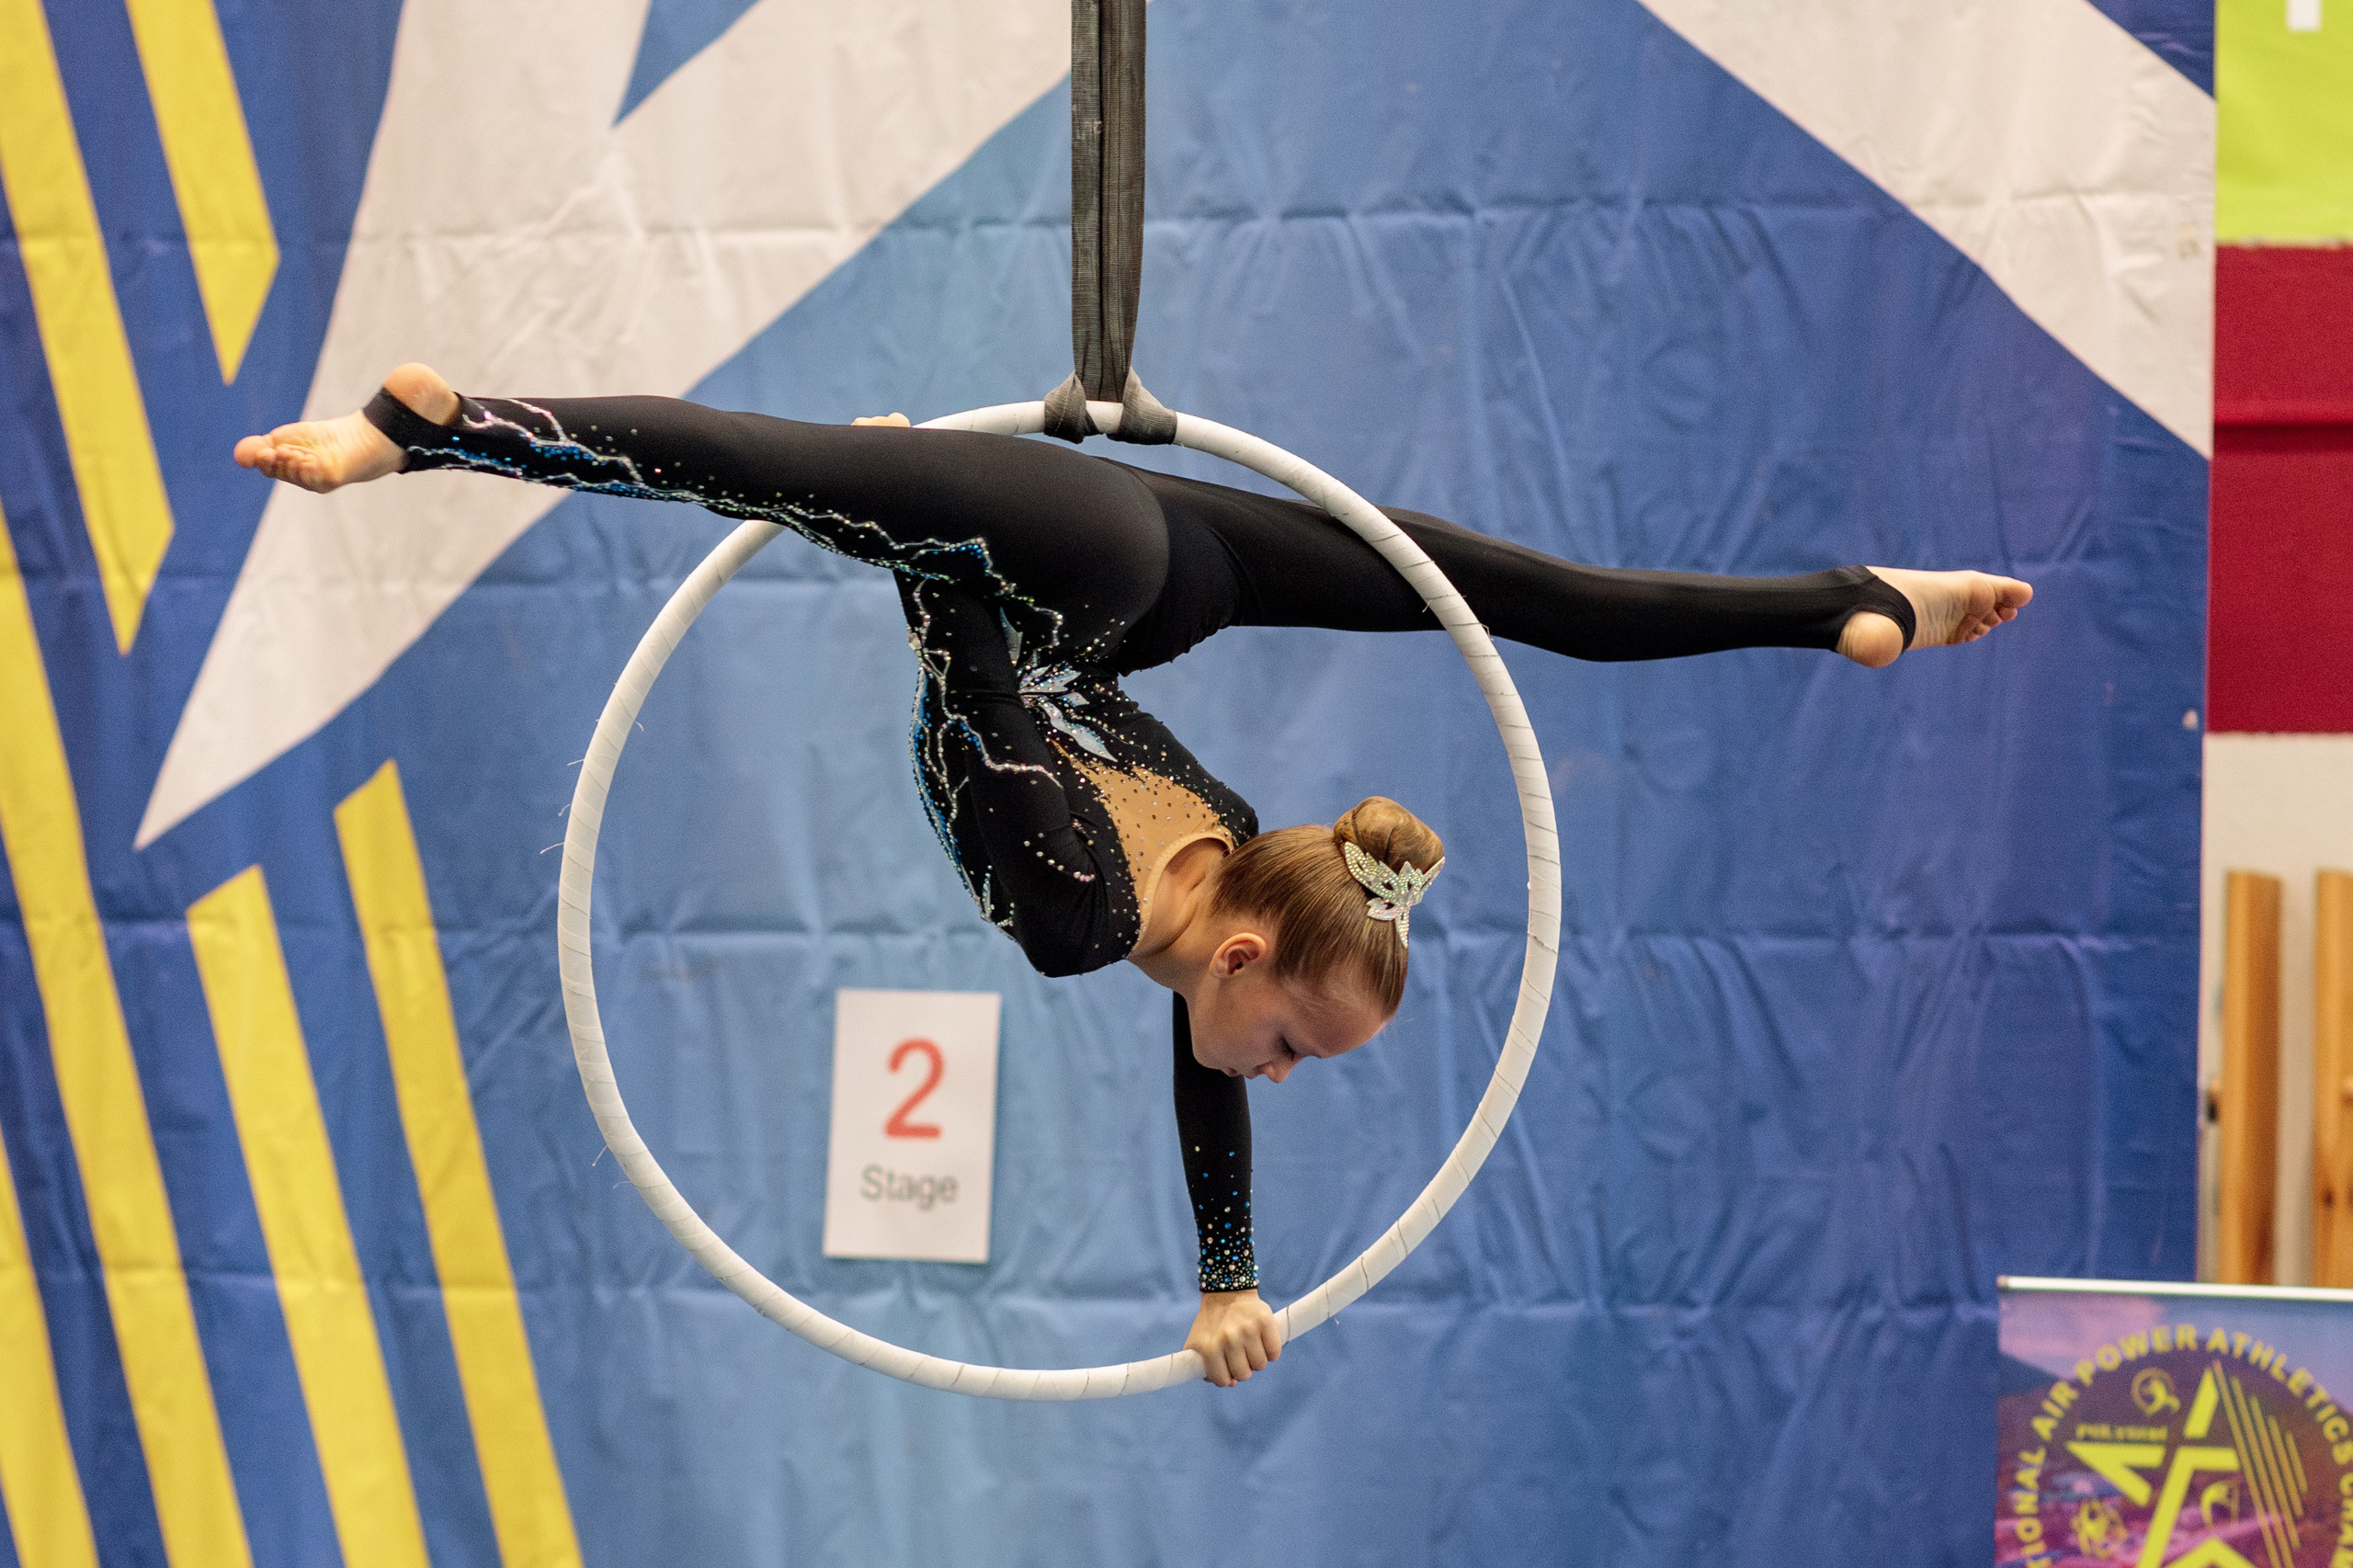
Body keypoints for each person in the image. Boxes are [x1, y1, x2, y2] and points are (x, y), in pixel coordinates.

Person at [235, 365, 2031, 1387]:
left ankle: (1851, 602)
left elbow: (1204, 1064)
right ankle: (435, 426)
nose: (1270, 1075)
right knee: (777, 471)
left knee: (1513, 592)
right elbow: (954, 634)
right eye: (1294, 1047)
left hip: (1141, 584)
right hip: (1066, 566)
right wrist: (888, 478)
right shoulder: (1084, 915)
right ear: (1247, 950)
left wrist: (1223, 1278)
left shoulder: (1228, 871)